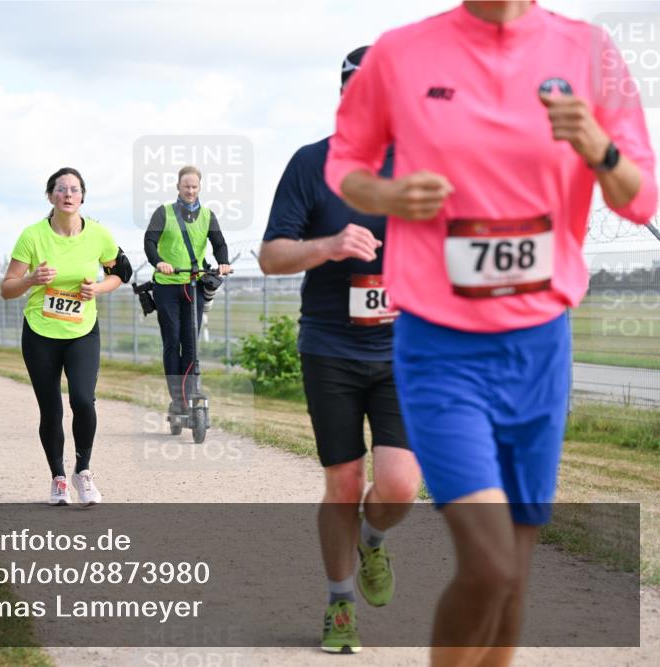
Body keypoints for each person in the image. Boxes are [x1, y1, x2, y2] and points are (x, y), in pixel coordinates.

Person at [326, 2, 657, 663]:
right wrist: (389, 196)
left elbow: (639, 196)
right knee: (490, 563)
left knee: (515, 581)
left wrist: (598, 146)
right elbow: (346, 164)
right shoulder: (401, 52)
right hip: (441, 348)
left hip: (541, 349)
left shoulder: (591, 53)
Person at [259, 45, 421, 655]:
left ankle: (373, 542)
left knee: (400, 484)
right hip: (329, 345)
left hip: (404, 349)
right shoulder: (311, 164)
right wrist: (327, 245)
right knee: (345, 481)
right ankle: (340, 604)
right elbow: (272, 256)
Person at [1, 168, 128, 506]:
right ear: (50, 196)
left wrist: (97, 288)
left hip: (82, 330)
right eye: (61, 189)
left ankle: (82, 472)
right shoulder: (32, 236)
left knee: (83, 400)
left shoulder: (99, 234)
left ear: (82, 196)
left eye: (74, 189)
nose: (68, 195)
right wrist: (31, 279)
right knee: (51, 409)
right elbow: (6, 289)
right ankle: (58, 478)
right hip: (40, 331)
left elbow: (119, 275)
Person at [143, 165, 232, 417]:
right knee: (173, 341)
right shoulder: (164, 213)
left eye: (194, 186)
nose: (190, 190)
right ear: (178, 187)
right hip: (167, 286)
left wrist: (223, 262)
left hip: (194, 284)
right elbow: (149, 241)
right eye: (186, 186)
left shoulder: (207, 215)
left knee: (191, 343)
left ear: (199, 187)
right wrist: (159, 261)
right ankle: (177, 400)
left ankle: (189, 393)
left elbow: (219, 243)